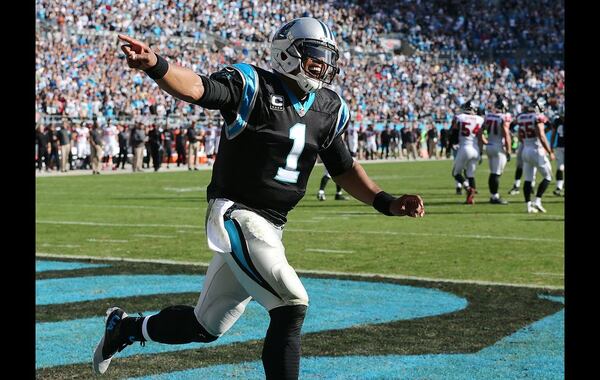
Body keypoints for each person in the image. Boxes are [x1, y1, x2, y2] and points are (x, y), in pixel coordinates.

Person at [96, 19, 424, 379]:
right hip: (237, 214)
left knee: (206, 325)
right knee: (291, 304)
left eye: (326, 58)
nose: (323, 66)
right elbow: (199, 89)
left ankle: (124, 328)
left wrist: (387, 202)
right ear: (287, 55)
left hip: (270, 227)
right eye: (315, 57)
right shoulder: (254, 85)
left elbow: (343, 168)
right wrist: (157, 65)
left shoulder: (328, 107)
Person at [517, 99, 554, 213]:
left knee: (528, 179)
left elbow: (519, 136)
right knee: (548, 177)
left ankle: (528, 206)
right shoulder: (537, 117)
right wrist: (550, 151)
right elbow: (542, 135)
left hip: (525, 150)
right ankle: (537, 201)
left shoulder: (521, 117)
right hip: (536, 150)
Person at [450, 100, 484, 204]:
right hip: (475, 149)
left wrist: (452, 144)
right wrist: (481, 152)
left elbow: (454, 132)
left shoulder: (459, 117)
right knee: (470, 174)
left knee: (456, 173)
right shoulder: (480, 119)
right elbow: (480, 137)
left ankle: (468, 188)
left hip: (464, 147)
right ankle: (470, 199)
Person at [482, 97, 512, 204]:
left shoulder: (488, 116)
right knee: (496, 173)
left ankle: (493, 195)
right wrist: (509, 150)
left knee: (493, 172)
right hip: (498, 146)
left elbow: (480, 131)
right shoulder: (504, 117)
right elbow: (506, 133)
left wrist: (484, 142)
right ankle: (494, 197)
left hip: (489, 145)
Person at [550, 113, 565, 196]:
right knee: (560, 167)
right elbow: (553, 134)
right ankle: (559, 187)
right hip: (559, 147)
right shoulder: (557, 121)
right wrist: (551, 148)